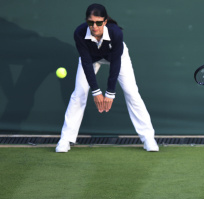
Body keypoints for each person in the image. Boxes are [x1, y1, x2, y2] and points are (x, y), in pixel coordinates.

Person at [55, 3, 159, 152]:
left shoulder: (116, 33)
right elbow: (86, 62)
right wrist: (96, 92)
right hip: (91, 59)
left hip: (116, 58)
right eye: (90, 22)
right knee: (79, 94)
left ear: (105, 22)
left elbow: (116, 63)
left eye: (98, 23)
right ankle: (65, 139)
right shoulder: (79, 33)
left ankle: (148, 138)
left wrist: (110, 93)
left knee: (132, 93)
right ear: (87, 21)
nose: (94, 26)